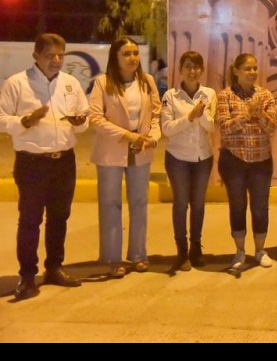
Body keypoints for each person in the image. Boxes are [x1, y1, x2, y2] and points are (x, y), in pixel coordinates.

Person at [0, 33, 89, 299]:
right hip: (32, 163)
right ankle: (27, 276)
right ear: (36, 56)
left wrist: (79, 122)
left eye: (61, 55)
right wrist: (25, 121)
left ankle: (54, 268)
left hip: (64, 161)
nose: (57, 60)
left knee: (59, 217)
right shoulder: (17, 83)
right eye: (50, 55)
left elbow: (84, 119)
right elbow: (1, 118)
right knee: (30, 220)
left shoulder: (71, 83)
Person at [89, 36, 161, 278]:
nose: (132, 58)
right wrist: (127, 135)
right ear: (115, 57)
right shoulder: (103, 82)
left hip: (141, 150)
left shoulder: (147, 81)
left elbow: (156, 114)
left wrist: (153, 137)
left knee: (139, 203)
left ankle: (138, 255)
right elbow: (95, 117)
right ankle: (112, 258)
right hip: (111, 150)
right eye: (126, 54)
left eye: (135, 53)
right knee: (111, 204)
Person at [217, 53, 277, 270]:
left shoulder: (265, 95)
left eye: (254, 68)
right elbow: (223, 127)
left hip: (261, 161)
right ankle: (240, 251)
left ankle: (260, 250)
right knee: (237, 206)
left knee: (260, 207)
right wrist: (245, 116)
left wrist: (259, 113)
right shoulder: (225, 95)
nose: (252, 72)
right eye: (247, 69)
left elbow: (272, 127)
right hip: (233, 160)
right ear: (236, 71)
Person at [160, 51, 217, 271]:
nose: (192, 71)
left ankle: (196, 247)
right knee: (181, 203)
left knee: (199, 204)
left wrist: (201, 115)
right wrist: (190, 116)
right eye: (188, 67)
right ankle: (181, 250)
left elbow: (211, 127)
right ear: (180, 70)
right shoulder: (171, 96)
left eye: (196, 67)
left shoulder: (209, 94)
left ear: (202, 70)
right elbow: (167, 129)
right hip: (178, 158)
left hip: (203, 157)